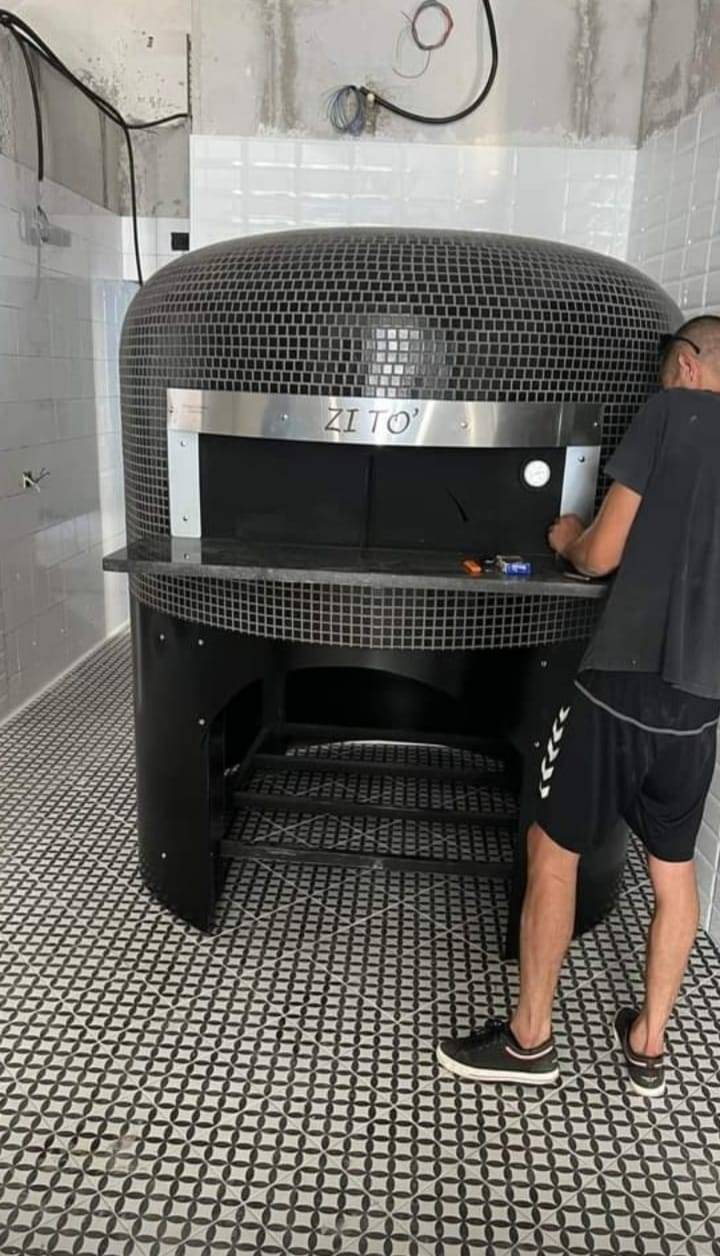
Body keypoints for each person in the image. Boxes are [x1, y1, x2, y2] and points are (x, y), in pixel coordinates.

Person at [437, 315, 720, 1098]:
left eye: (667, 370)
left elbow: (600, 556)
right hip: (702, 704)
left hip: (622, 683)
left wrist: (567, 539)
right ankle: (648, 1046)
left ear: (688, 366)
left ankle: (530, 1040)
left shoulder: (673, 412)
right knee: (674, 873)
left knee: (553, 851)